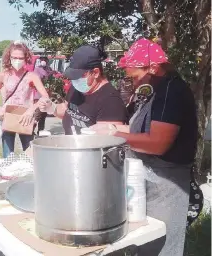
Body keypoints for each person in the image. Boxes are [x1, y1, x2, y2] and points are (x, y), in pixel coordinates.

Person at [90, 38, 198, 256]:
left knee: (162, 244)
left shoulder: (171, 92)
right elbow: (143, 130)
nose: (136, 84)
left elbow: (158, 144)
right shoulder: (159, 91)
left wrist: (116, 135)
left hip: (167, 183)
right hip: (150, 177)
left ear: (153, 68)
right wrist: (115, 129)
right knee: (145, 242)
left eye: (136, 77)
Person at [38, 45, 127, 134]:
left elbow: (109, 138)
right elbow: (66, 109)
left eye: (80, 76)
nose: (76, 80)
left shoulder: (110, 100)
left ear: (95, 73)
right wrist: (52, 107)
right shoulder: (77, 88)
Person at [0, 41, 49, 158]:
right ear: (9, 57)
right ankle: (8, 174)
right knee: (8, 155)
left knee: (30, 155)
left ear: (26, 58)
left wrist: (31, 110)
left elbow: (45, 96)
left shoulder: (31, 76)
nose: (17, 60)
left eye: (20, 58)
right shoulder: (3, 75)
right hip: (7, 117)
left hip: (25, 118)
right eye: (14, 57)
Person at [33, 56, 53, 135]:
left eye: (45, 59)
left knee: (44, 114)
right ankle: (31, 129)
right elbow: (36, 81)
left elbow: (51, 80)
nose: (43, 61)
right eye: (42, 59)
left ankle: (40, 130)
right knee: (38, 113)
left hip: (47, 95)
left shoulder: (49, 69)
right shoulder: (37, 69)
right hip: (38, 95)